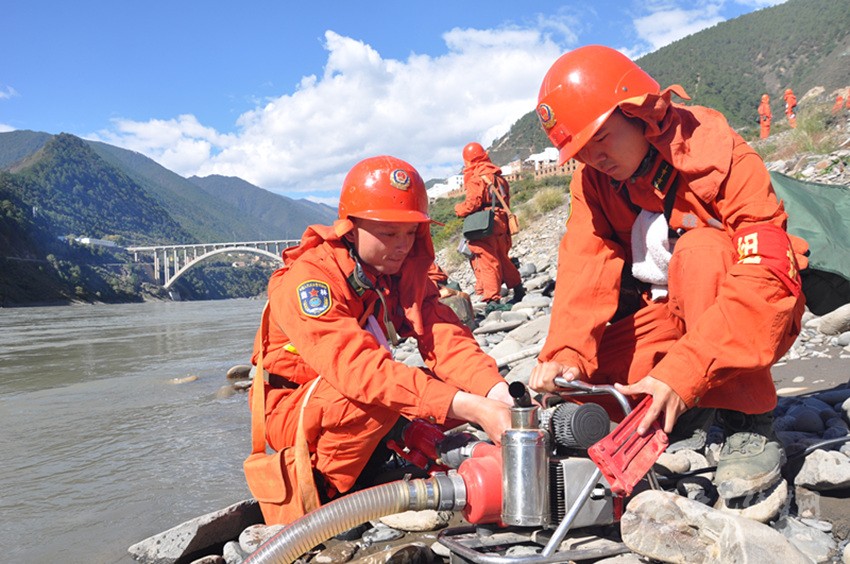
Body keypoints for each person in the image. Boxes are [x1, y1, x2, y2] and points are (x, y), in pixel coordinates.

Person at [529, 45, 808, 503]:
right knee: (588, 392)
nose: (595, 158)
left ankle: (747, 419)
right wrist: (565, 354)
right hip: (667, 314)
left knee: (700, 251)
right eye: (582, 150)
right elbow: (584, 265)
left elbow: (767, 276)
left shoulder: (716, 150)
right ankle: (693, 403)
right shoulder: (593, 181)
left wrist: (684, 372)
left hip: (749, 306)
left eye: (602, 139)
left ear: (639, 112)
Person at [249, 155, 513, 515]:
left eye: (411, 233)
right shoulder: (310, 281)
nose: (402, 245)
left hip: (335, 397)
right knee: (379, 397)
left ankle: (392, 446)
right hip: (292, 407)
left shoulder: (392, 270)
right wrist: (470, 407)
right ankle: (329, 491)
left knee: (455, 388)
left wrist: (495, 393)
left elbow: (443, 334)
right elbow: (359, 371)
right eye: (389, 234)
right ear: (350, 230)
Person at [455, 142, 525, 312]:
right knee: (502, 257)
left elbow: (472, 204)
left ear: (468, 160)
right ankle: (518, 289)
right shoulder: (499, 178)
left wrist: (458, 209)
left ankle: (492, 300)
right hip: (500, 222)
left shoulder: (476, 178)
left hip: (485, 226)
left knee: (487, 260)